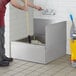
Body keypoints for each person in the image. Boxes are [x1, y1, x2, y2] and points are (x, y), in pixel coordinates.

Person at [0, 0, 43, 66]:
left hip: (1, 15)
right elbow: (14, 3)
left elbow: (24, 1)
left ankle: (2, 56)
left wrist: (35, 6)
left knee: (1, 38)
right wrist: (23, 8)